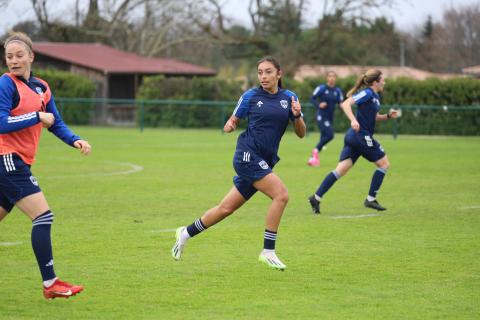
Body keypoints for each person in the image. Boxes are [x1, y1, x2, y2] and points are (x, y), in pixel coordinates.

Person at [171, 56, 306, 271]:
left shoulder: (289, 98)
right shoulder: (250, 96)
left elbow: (301, 133)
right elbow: (234, 119)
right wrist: (230, 125)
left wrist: (297, 116)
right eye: (260, 72)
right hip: (247, 155)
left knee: (225, 208)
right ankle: (268, 251)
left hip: (265, 160)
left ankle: (185, 233)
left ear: (279, 74)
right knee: (281, 195)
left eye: (268, 72)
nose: (263, 76)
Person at [0, 32, 91, 299]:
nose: (13, 61)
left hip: (18, 162)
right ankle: (51, 284)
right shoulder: (6, 84)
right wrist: (36, 116)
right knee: (43, 216)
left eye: (18, 55)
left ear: (31, 56)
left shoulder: (41, 87)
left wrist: (75, 140)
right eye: (8, 57)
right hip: (7, 158)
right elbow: (1, 123)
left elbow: (56, 122)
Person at [308, 69, 398, 214]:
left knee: (341, 170)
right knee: (384, 164)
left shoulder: (374, 96)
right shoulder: (368, 93)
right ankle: (370, 199)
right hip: (361, 136)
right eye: (383, 79)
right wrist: (353, 120)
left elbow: (374, 117)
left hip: (355, 137)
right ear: (375, 82)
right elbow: (346, 104)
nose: (384, 82)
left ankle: (316, 198)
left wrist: (387, 116)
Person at [307, 71, 343, 167]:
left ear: (336, 78)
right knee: (330, 135)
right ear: (327, 78)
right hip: (321, 116)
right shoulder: (322, 88)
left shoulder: (337, 91)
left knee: (323, 137)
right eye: (330, 76)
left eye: (333, 76)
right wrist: (319, 105)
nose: (331, 78)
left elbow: (341, 103)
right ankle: (314, 151)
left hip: (330, 118)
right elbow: (312, 98)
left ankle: (313, 159)